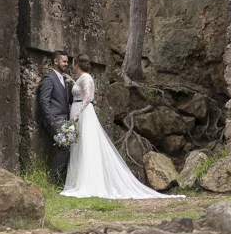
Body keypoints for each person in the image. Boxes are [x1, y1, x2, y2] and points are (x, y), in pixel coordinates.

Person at [62, 54, 183, 200]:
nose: (71, 65)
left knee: (86, 146)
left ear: (75, 63)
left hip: (82, 115)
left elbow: (88, 97)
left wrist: (78, 114)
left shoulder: (86, 77)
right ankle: (78, 180)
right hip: (79, 112)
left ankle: (88, 182)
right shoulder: (82, 78)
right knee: (79, 146)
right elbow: (80, 89)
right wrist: (70, 80)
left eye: (72, 63)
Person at [36, 50, 73, 184]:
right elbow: (44, 100)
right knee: (65, 146)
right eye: (64, 61)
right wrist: (50, 120)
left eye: (67, 62)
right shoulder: (49, 78)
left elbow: (69, 100)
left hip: (66, 120)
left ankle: (62, 181)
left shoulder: (65, 79)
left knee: (69, 147)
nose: (66, 64)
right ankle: (52, 180)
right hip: (54, 120)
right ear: (55, 61)